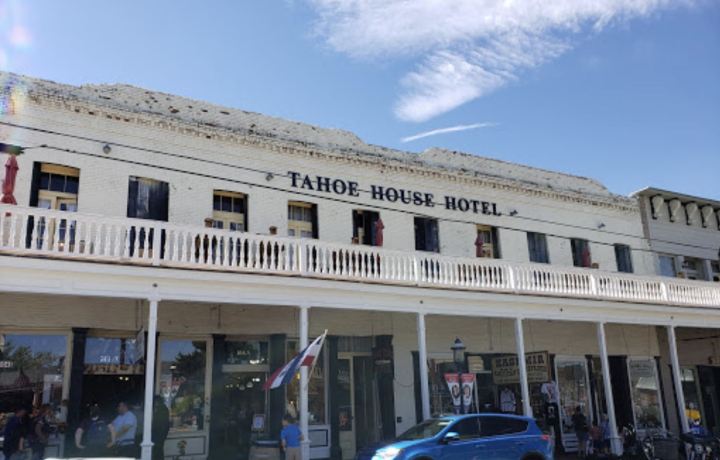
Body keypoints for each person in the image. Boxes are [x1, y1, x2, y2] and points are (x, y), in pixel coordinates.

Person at [152, 396, 170, 460]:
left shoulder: (162, 409)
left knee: (158, 451)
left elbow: (160, 422)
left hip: (159, 434)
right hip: (161, 433)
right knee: (158, 450)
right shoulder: (162, 408)